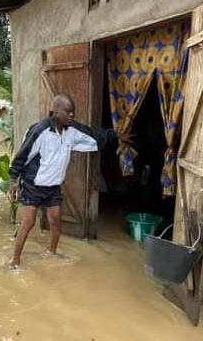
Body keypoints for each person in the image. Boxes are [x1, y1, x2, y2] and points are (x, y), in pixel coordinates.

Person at [9, 94, 129, 268]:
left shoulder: (71, 130)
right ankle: (15, 260)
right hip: (33, 183)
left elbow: (93, 134)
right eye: (68, 112)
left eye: (73, 112)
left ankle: (52, 252)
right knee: (29, 221)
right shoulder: (40, 131)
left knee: (56, 219)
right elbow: (23, 154)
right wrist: (14, 179)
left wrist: (115, 135)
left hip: (53, 185)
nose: (72, 115)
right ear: (56, 111)